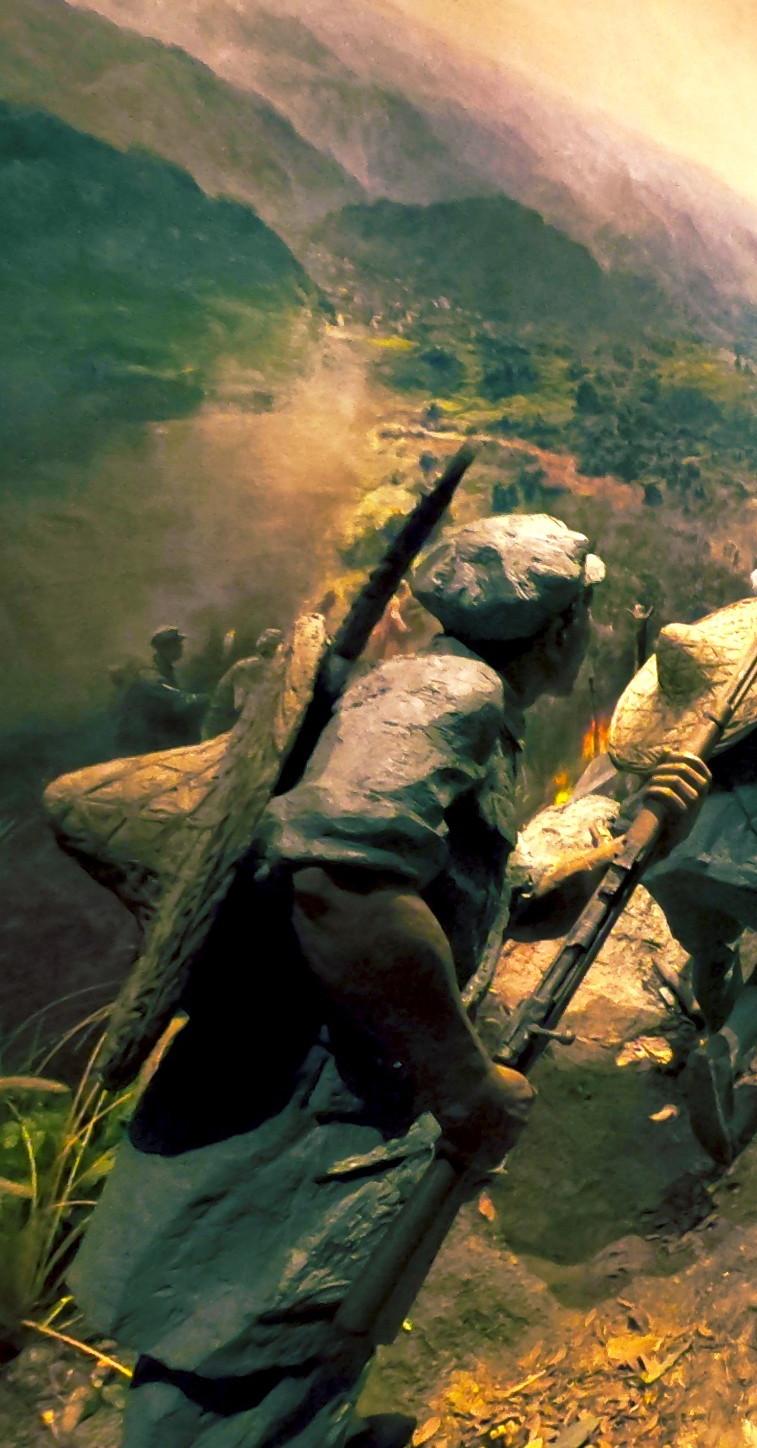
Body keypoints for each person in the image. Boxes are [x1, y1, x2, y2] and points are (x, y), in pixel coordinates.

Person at [68, 514, 605, 1448]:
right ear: (561, 630)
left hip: (327, 1084)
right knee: (239, 1353)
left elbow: (444, 885)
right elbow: (343, 888)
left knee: (296, 1340)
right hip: (308, 1096)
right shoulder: (453, 695)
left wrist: (578, 870)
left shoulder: (441, 692)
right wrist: (464, 1085)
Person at [604, 550, 757, 1162]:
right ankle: (724, 1053)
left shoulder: (713, 656)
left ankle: (715, 1059)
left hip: (662, 832)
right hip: (742, 828)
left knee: (712, 947)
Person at [114, 627, 207, 754]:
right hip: (147, 742)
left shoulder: (165, 669)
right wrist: (211, 698)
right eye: (177, 644)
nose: (181, 648)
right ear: (166, 648)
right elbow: (179, 701)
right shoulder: (150, 674)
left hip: (156, 736)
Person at [202, 628, 284, 738]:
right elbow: (241, 704)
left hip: (230, 725)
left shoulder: (259, 666)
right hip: (221, 728)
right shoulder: (248, 667)